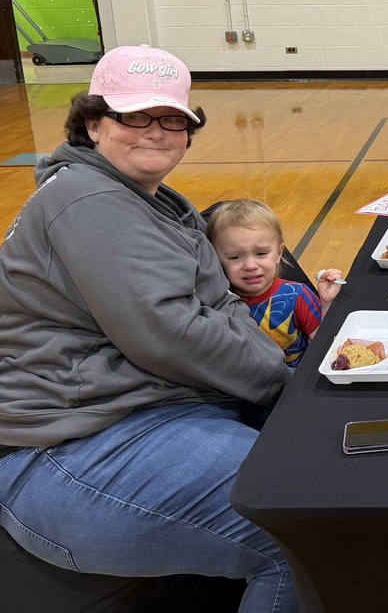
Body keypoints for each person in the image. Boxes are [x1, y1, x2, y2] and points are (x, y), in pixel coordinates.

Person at [0, 45, 297, 612]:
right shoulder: (88, 200)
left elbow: (221, 307)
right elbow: (171, 333)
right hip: (72, 454)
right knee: (304, 530)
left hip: (140, 417)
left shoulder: (149, 201)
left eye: (171, 119)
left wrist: (264, 364)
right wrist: (279, 377)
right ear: (92, 123)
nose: (155, 132)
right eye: (133, 117)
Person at [207, 198, 344, 369]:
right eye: (235, 257)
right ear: (216, 259)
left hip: (294, 382)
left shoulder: (297, 295)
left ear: (279, 253)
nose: (250, 265)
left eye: (261, 253)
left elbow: (325, 345)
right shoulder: (218, 303)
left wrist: (327, 304)